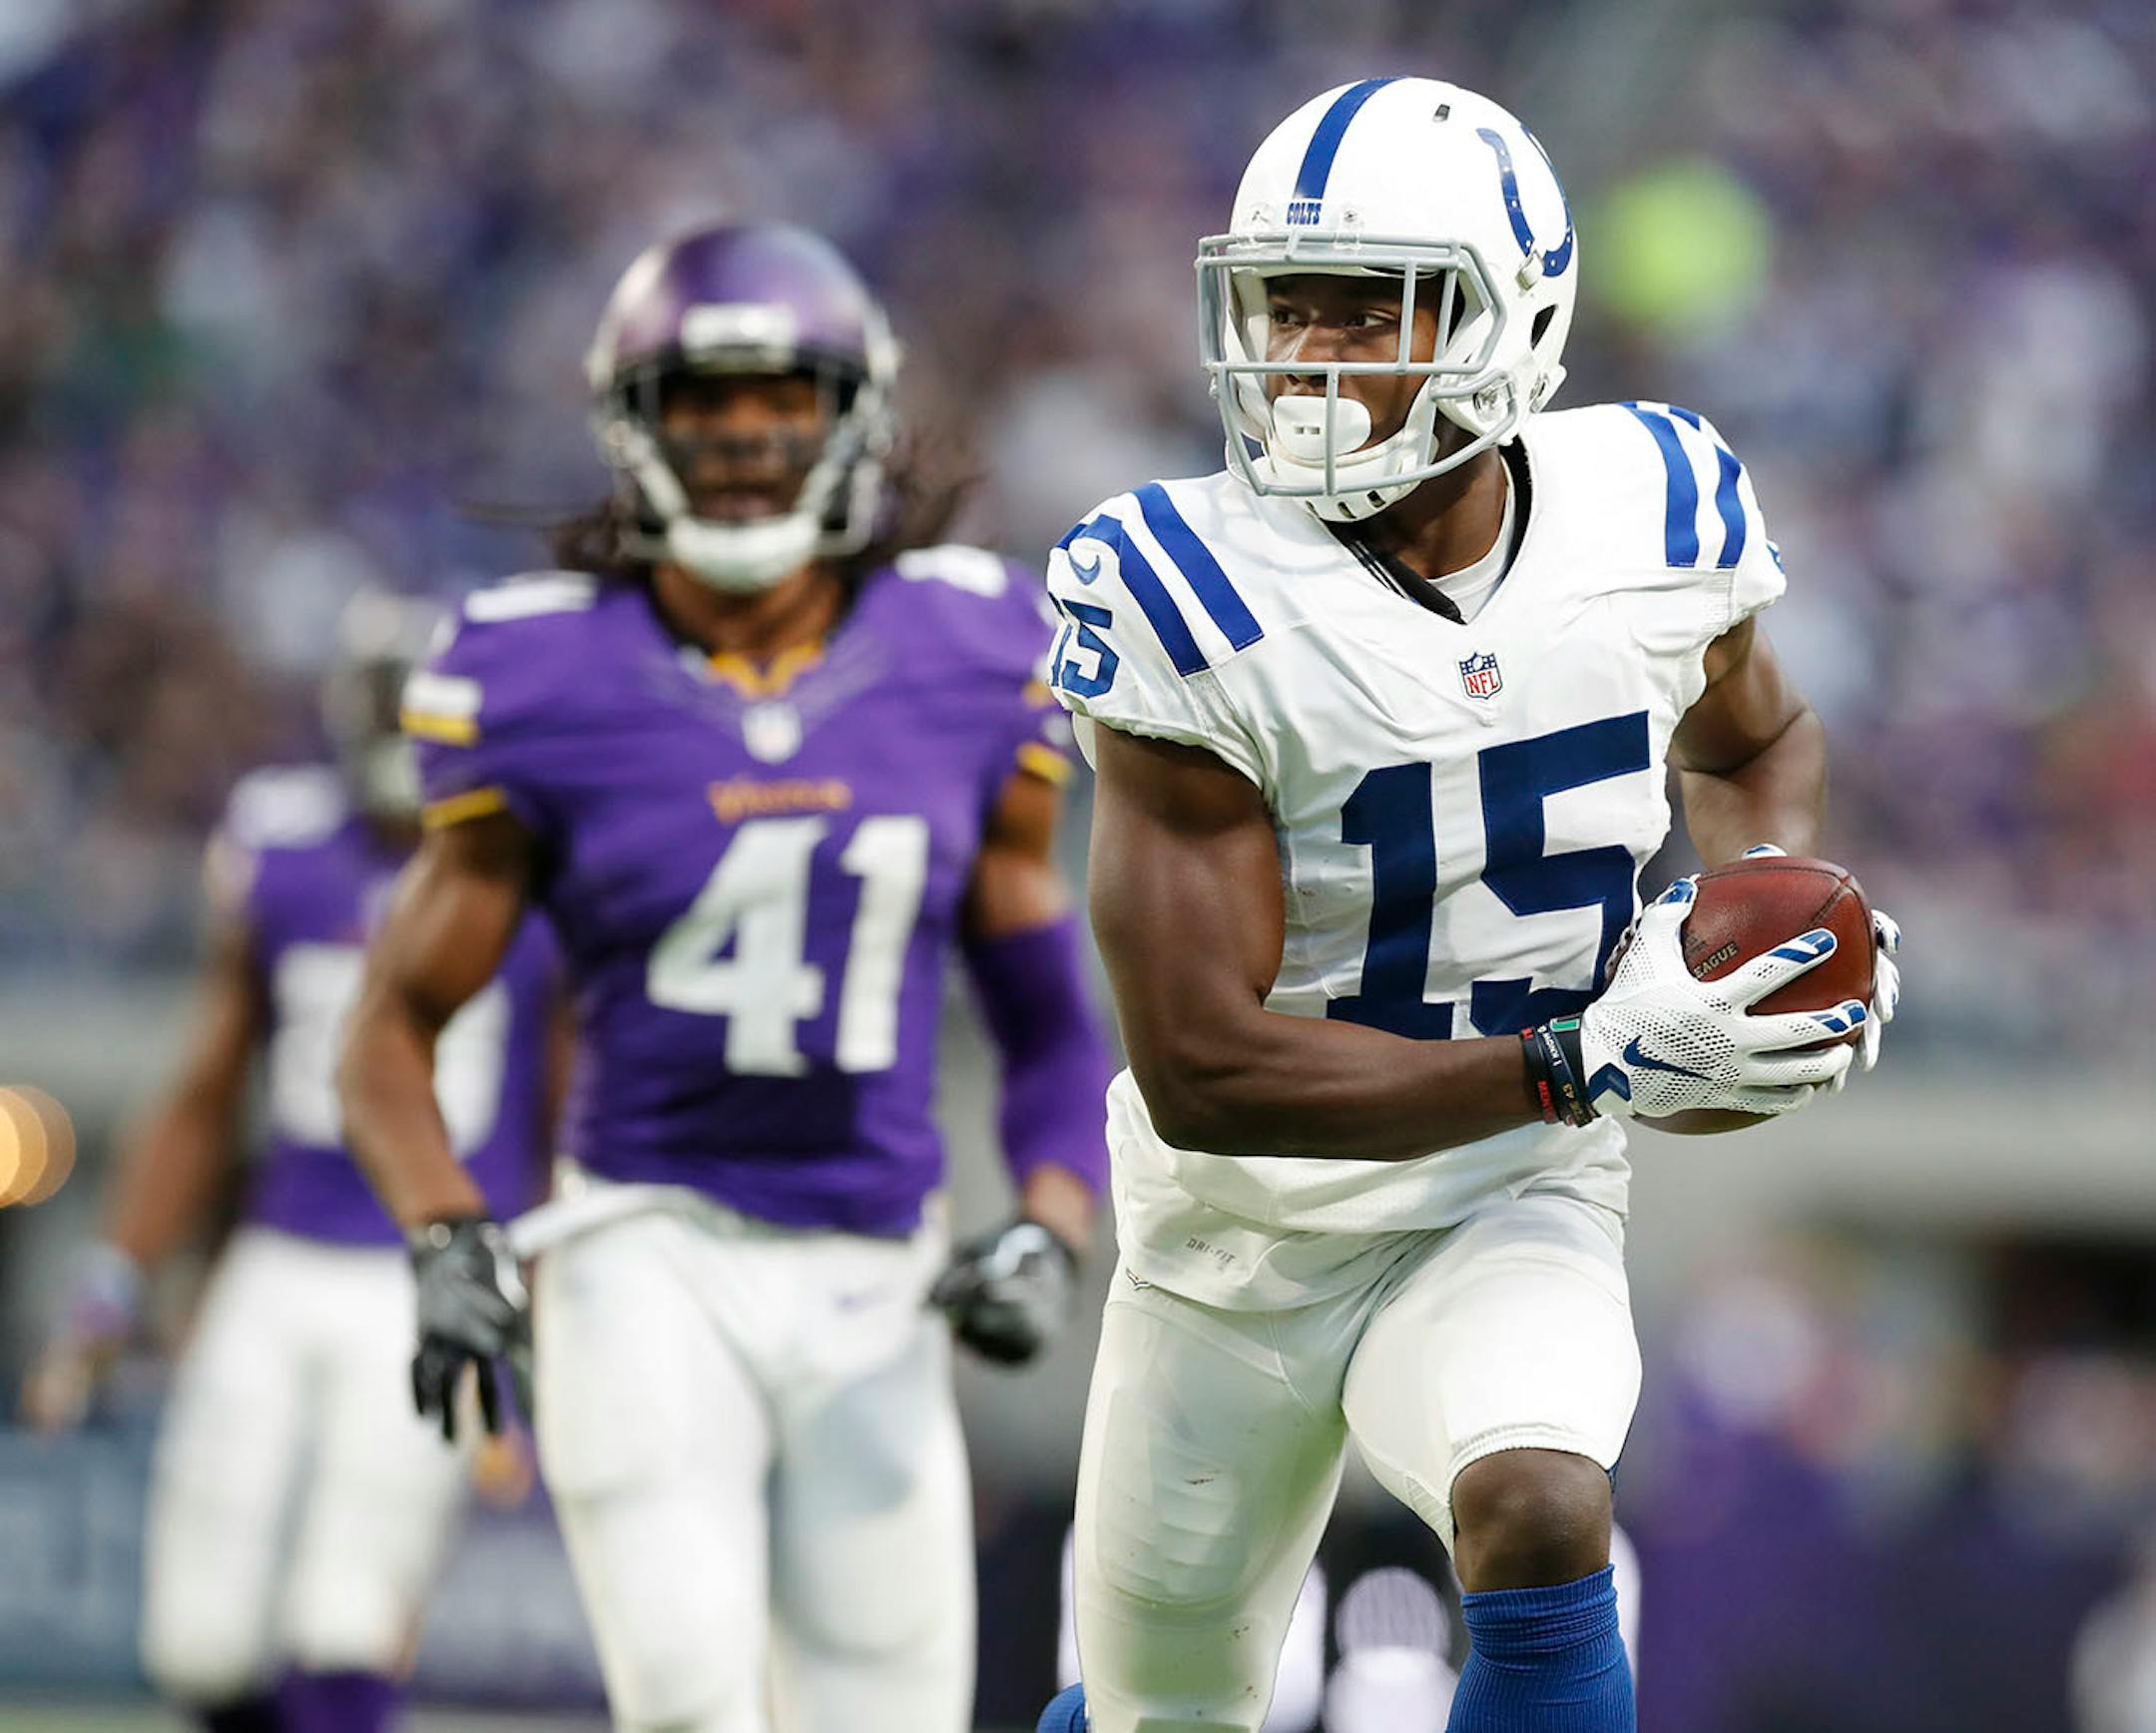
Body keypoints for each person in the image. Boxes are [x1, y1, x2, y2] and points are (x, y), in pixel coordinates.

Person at [1031, 78, 1903, 1733]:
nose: (1308, 357)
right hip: (1243, 1232)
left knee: (1542, 1503)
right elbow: (1206, 1065)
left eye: (1371, 311)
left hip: (1511, 1195)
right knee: (1162, 1712)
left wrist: (1761, 914)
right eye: (1287, 308)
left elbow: (1756, 738)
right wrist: (1578, 1059)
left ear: (1517, 319)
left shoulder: (1653, 506)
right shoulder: (1183, 591)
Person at [336, 220, 1111, 1733]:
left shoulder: (974, 651)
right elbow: (388, 1029)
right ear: (633, 424)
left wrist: (1049, 1225)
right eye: (701, 398)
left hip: (878, 1265)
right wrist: (443, 1231)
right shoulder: (535, 675)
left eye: (781, 396)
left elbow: (1047, 1027)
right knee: (690, 1698)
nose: (745, 434)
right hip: (641, 1242)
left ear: (854, 416)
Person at [21, 590, 560, 1733]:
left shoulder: (533, 863)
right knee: (200, 1636)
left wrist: (539, 1331)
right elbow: (207, 1091)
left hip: (435, 1268)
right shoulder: (284, 846)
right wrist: (115, 1277)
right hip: (279, 1254)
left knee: (347, 1618)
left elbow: (570, 1120)